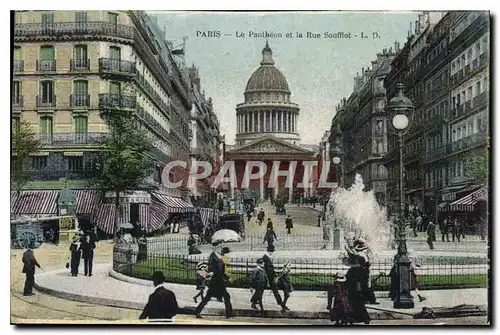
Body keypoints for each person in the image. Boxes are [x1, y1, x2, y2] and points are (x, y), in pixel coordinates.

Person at [194, 243, 233, 318]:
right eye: (218, 246)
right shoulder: (213, 256)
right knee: (224, 296)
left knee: (209, 298)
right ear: (215, 248)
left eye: (220, 246)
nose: (220, 248)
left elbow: (223, 268)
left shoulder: (219, 256)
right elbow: (212, 268)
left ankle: (197, 311)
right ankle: (229, 314)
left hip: (218, 280)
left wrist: (226, 276)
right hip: (216, 281)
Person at [262, 246, 287, 313]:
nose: (272, 253)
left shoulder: (268, 257)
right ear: (269, 251)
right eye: (271, 252)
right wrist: (267, 280)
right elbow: (265, 270)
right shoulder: (265, 258)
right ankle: (281, 304)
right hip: (268, 278)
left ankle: (281, 304)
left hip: (272, 277)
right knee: (261, 290)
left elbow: (271, 269)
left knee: (275, 291)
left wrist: (275, 274)